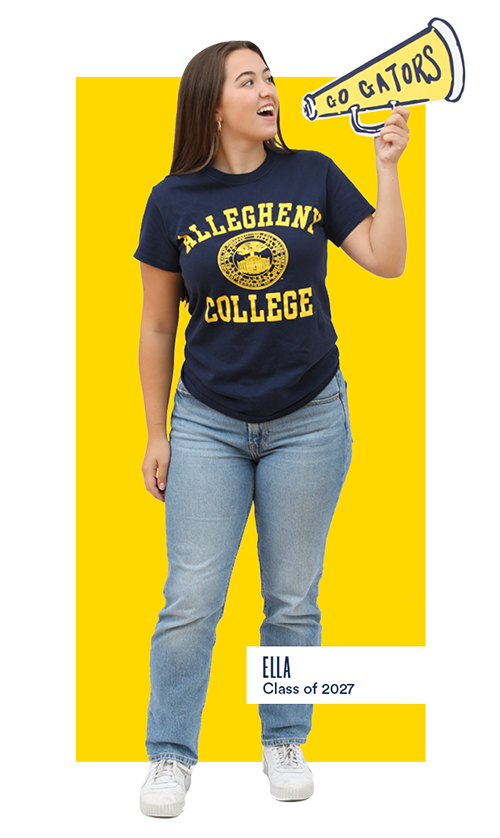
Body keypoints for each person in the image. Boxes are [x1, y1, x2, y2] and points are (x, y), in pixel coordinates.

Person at [134, 40, 409, 818]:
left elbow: (386, 261)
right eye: (248, 80)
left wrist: (387, 166)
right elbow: (158, 327)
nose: (269, 91)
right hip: (208, 423)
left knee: (292, 599)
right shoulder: (171, 200)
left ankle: (283, 739)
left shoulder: (313, 173)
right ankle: (169, 756)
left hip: (309, 419)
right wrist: (157, 434)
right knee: (191, 596)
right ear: (212, 106)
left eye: (270, 78)